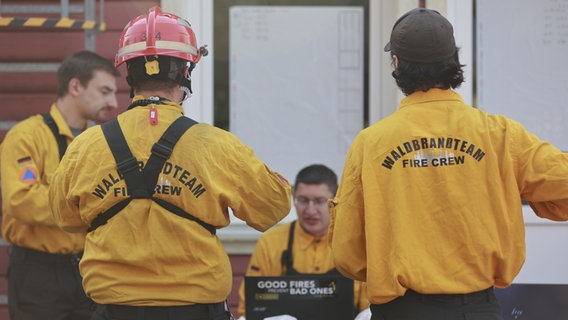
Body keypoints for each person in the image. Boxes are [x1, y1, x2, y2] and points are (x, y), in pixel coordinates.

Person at [48, 6, 292, 320]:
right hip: (195, 310)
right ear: (186, 72)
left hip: (114, 310)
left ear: (128, 72)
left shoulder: (85, 146)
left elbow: (64, 218)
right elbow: (272, 208)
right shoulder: (216, 145)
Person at [328, 7, 568, 320]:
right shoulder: (498, 134)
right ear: (453, 59)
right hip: (478, 309)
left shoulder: (371, 144)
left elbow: (348, 253)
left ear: (397, 63)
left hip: (402, 311)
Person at [0, 50, 119, 320]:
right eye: (104, 91)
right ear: (75, 86)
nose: (113, 102)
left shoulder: (101, 142)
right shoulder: (26, 137)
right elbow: (22, 201)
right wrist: (88, 205)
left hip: (91, 271)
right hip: (39, 275)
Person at [237, 164, 369, 319]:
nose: (310, 210)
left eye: (319, 201)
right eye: (303, 200)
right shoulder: (271, 243)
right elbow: (249, 309)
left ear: (334, 201)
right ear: (293, 199)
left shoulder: (355, 242)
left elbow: (370, 309)